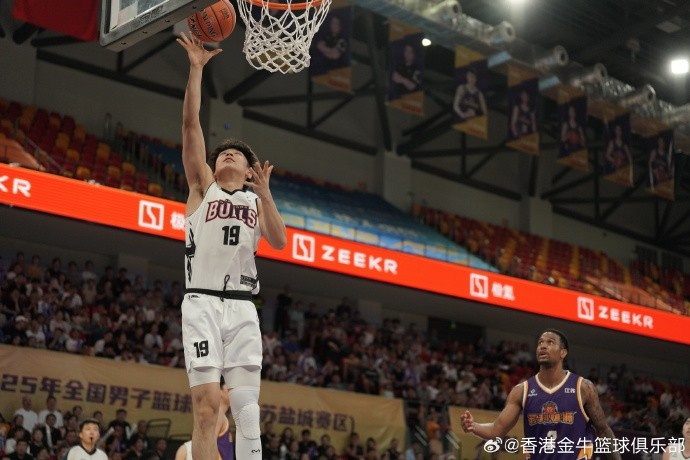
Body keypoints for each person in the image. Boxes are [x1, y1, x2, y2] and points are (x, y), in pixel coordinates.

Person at [176, 31, 287, 460]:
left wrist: (267, 195)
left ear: (249, 171)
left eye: (236, 155)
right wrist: (196, 69)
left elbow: (279, 241)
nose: (227, 155)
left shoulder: (257, 203)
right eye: (222, 153)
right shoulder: (202, 188)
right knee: (207, 411)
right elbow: (191, 127)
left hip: (242, 307)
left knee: (247, 412)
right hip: (202, 303)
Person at [460, 329, 622, 460]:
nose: (543, 346)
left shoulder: (583, 387)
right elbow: (497, 430)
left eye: (550, 342)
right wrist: (474, 427)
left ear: (563, 352)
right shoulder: (521, 391)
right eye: (540, 343)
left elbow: (603, 431)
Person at [175, 379, 234, 460]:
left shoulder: (221, 415)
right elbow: (207, 446)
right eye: (230, 387)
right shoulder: (218, 414)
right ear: (219, 390)